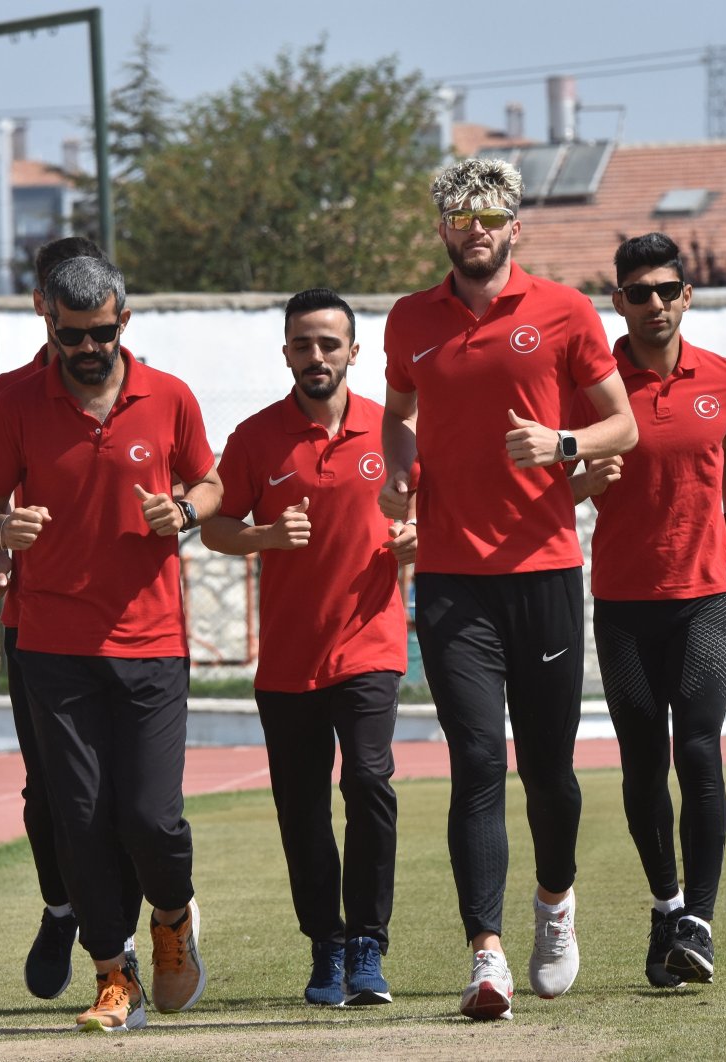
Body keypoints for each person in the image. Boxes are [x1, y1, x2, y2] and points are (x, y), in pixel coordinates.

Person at [378, 158, 637, 1021]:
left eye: (491, 215)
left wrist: (562, 445)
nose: (476, 228)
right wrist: (398, 473)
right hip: (453, 580)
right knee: (478, 762)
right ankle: (485, 954)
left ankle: (555, 904)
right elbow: (399, 410)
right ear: (443, 230)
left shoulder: (563, 310)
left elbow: (622, 424)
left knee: (550, 771)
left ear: (515, 228)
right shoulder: (411, 319)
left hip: (547, 574)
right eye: (460, 216)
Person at [0, 255, 222, 1032]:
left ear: (125, 321)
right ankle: (116, 975)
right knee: (78, 816)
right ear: (47, 320)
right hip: (51, 644)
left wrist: (183, 511)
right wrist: (0, 529)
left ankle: (173, 918)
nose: (87, 348)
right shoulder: (11, 400)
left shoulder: (170, 396)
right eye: (71, 334)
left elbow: (212, 486)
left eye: (101, 333)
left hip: (150, 642)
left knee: (150, 818)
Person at [200, 288, 416, 1008]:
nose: (316, 356)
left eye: (329, 344)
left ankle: (369, 946)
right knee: (301, 808)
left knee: (369, 784)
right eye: (303, 344)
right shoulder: (256, 437)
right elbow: (217, 526)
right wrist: (263, 535)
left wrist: (419, 538)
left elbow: (435, 515)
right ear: (286, 352)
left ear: (355, 352)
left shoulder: (395, 432)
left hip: (371, 648)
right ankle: (325, 944)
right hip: (288, 663)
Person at [571, 232, 726, 990]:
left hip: (705, 596)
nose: (654, 303)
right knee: (643, 763)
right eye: (637, 292)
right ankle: (665, 907)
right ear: (617, 302)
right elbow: (553, 479)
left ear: (688, 295)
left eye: (667, 290)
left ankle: (699, 923)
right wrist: (586, 478)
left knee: (701, 752)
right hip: (621, 602)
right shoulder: (593, 385)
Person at [0, 236, 143, 1003]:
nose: (73, 330)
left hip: (128, 628)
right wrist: (2, 547)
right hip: (33, 623)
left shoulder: (142, 391)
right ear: (41, 306)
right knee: (50, 791)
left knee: (127, 795)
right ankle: (61, 908)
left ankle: (135, 929)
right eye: (51, 302)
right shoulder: (7, 396)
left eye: (90, 321)